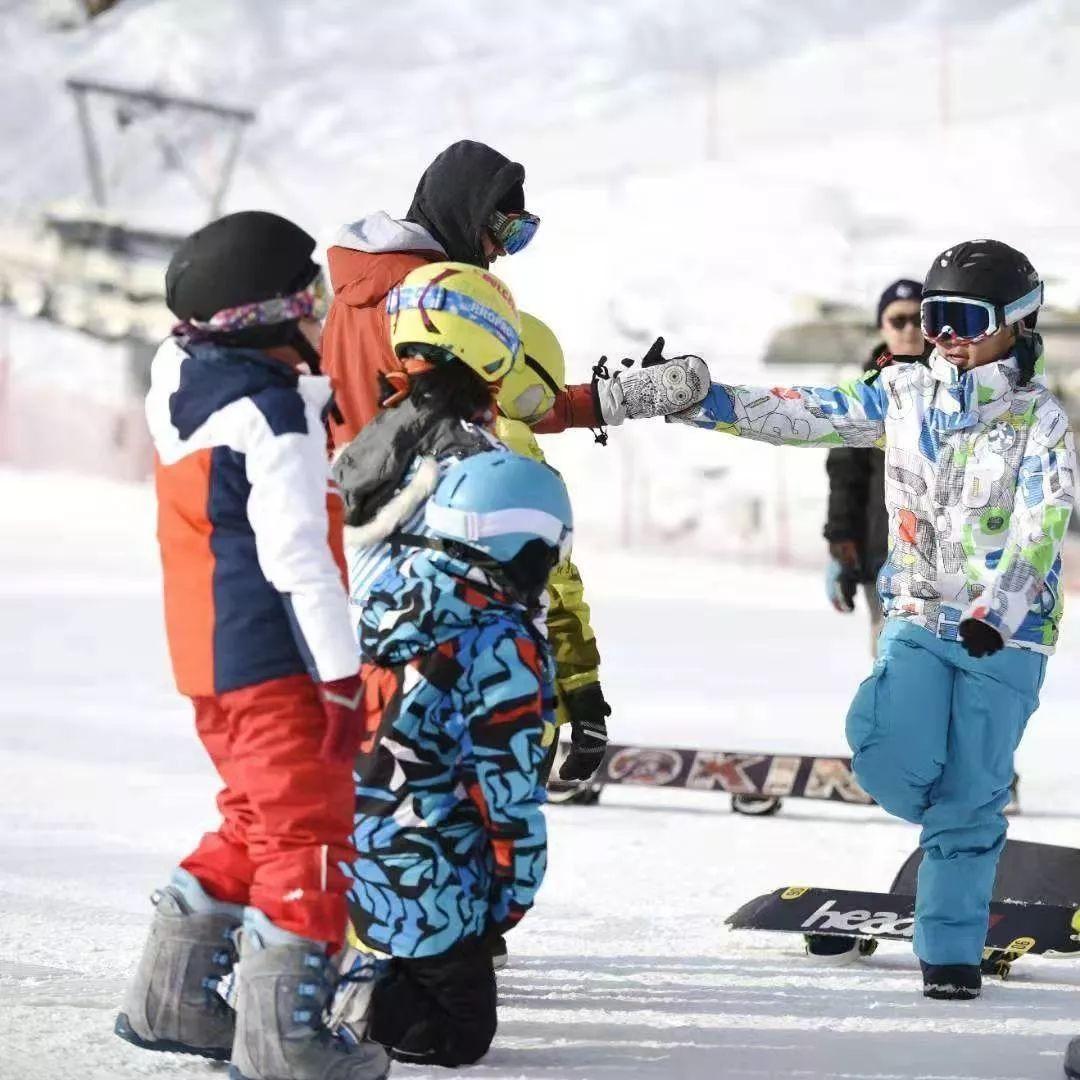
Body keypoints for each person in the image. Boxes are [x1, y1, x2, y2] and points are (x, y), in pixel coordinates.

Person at [672, 239, 1075, 999]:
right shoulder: (902, 394)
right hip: (918, 614)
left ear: (1016, 322)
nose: (944, 335)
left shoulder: (1039, 421)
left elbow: (1042, 524)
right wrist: (701, 400)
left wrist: (999, 609)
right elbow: (804, 414)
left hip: (1007, 637)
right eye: (934, 316)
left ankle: (950, 955)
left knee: (971, 797)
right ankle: (952, 821)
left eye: (964, 318)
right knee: (884, 750)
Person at [115, 210, 388, 1080]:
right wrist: (342, 679)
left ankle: (174, 998)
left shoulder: (184, 381)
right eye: (310, 299)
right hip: (277, 661)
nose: (321, 316)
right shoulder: (274, 417)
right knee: (310, 835)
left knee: (258, 818)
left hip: (210, 660)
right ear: (269, 315)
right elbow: (300, 557)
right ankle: (286, 1045)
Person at [337, 450, 569, 1066]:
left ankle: (328, 962)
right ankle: (317, 991)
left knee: (435, 980)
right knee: (458, 1032)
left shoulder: (388, 595)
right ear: (525, 548)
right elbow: (507, 789)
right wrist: (514, 892)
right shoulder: (502, 644)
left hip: (342, 842)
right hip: (424, 872)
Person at [495, 312, 609, 784]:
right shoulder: (518, 458)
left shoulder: (387, 424)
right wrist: (583, 692)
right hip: (511, 691)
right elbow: (555, 588)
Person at [824, 279, 925, 650]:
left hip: (952, 565)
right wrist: (841, 545)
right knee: (893, 663)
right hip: (885, 557)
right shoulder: (864, 393)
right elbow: (845, 474)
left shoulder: (959, 386)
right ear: (883, 327)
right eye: (898, 320)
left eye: (919, 318)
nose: (910, 329)